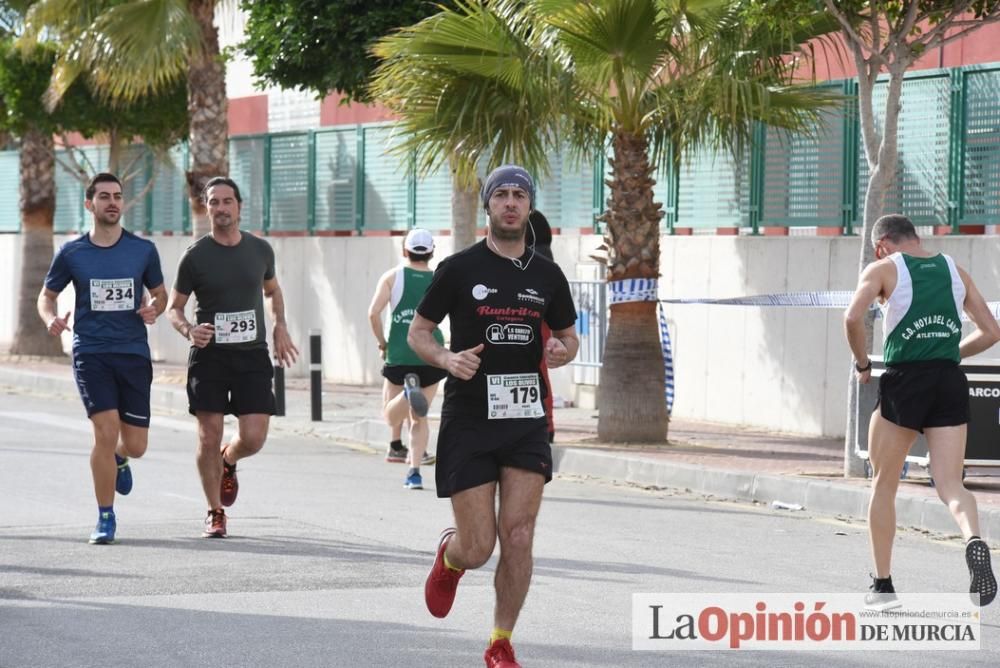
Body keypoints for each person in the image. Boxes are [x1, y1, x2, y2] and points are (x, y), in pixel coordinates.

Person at [409, 165, 579, 667]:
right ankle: (451, 557)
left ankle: (500, 641)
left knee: (520, 533)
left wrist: (562, 349)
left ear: (529, 207)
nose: (510, 202)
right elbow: (420, 331)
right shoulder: (459, 269)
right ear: (487, 205)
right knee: (480, 546)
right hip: (469, 419)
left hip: (525, 416)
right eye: (501, 194)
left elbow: (570, 337)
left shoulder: (547, 274)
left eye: (519, 195)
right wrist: (445, 359)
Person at [844, 213, 1000, 608]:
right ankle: (973, 540)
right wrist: (948, 352)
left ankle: (883, 587)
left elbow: (851, 317)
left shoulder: (882, 268)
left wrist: (863, 363)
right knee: (950, 484)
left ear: (882, 245)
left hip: (904, 381)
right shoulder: (954, 270)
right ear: (915, 237)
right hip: (948, 380)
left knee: (884, 482)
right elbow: (992, 331)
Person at [38, 172, 167, 544]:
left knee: (136, 445)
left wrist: (153, 309)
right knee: (105, 432)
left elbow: (160, 294)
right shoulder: (73, 253)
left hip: (132, 352)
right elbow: (46, 296)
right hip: (91, 351)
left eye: (117, 196)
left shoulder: (142, 250)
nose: (112, 202)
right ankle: (105, 517)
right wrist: (52, 319)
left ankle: (121, 459)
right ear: (89, 204)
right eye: (104, 196)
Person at [166, 176, 298, 538]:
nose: (221, 208)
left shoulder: (259, 251)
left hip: (251, 356)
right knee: (208, 436)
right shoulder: (195, 256)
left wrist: (280, 326)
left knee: (254, 438)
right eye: (214, 202)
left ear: (239, 206)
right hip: (209, 357)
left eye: (227, 201)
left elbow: (272, 291)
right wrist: (189, 330)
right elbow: (174, 308)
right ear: (206, 208)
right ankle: (214, 510)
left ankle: (229, 459)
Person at [367, 228, 447, 489]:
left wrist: (383, 343)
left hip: (400, 353)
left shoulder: (392, 277)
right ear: (432, 252)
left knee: (391, 417)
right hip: (431, 353)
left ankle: (406, 395)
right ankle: (414, 473)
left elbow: (373, 313)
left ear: (405, 251)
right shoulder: (439, 279)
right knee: (420, 418)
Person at [528, 210, 557, 444]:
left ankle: (544, 422)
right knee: (541, 369)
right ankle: (547, 423)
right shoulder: (547, 254)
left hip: (528, 313)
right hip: (545, 314)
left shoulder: (526, 255)